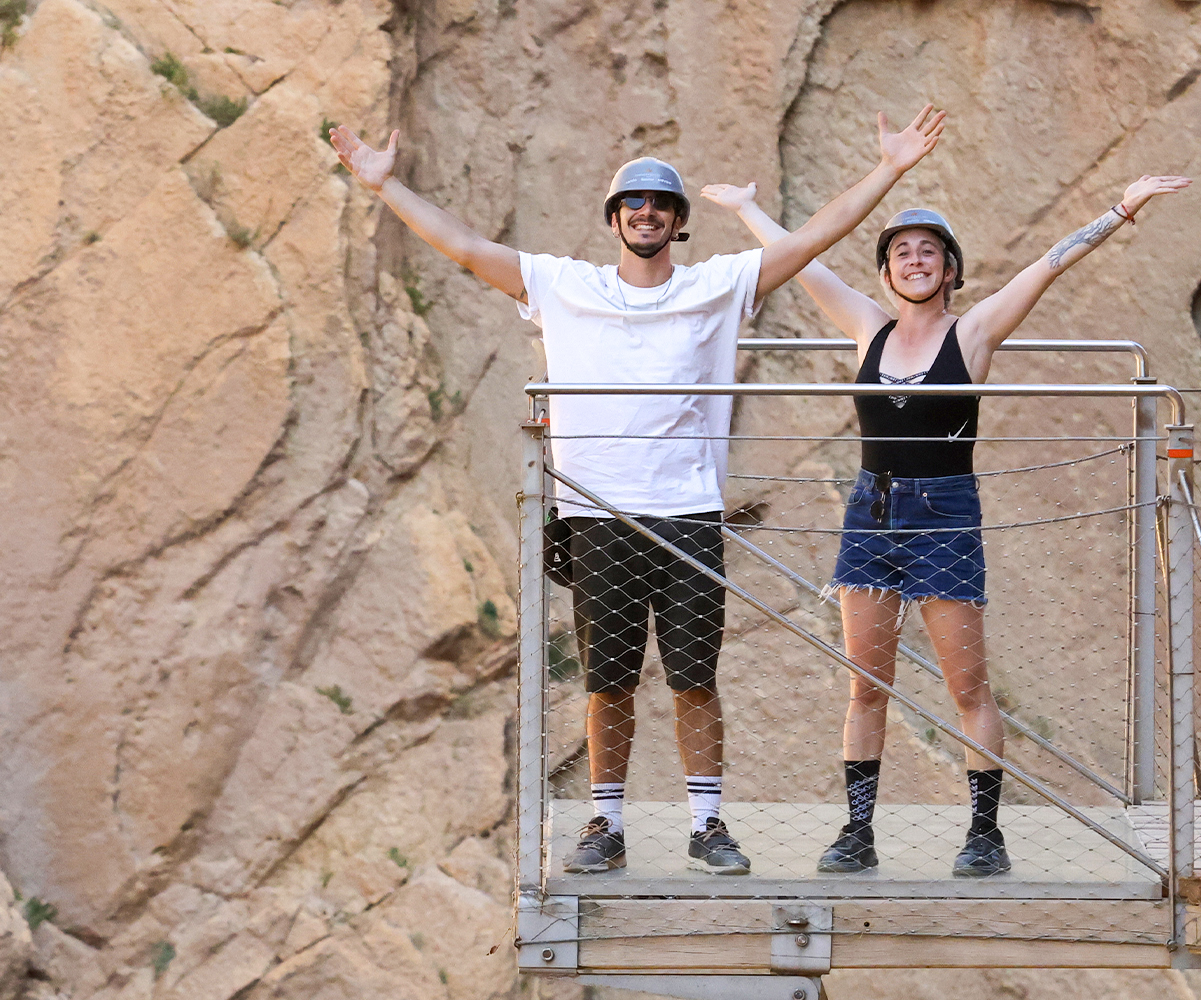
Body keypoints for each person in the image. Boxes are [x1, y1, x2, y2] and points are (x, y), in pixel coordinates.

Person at [330, 107, 946, 876]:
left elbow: (813, 237)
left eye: (660, 204)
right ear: (615, 218)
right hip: (597, 512)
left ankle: (708, 824)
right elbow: (463, 246)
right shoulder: (563, 284)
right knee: (607, 683)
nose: (646, 213)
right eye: (633, 203)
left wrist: (889, 171)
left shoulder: (717, 286)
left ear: (679, 221)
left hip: (686, 511)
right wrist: (387, 187)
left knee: (694, 678)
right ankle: (606, 824)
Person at [703, 174, 1191, 876]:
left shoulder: (975, 332)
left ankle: (985, 834)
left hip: (944, 514)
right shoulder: (867, 327)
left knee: (968, 689)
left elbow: (1049, 264)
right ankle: (857, 832)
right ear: (886, 270)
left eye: (928, 250)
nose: (914, 259)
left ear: (950, 268)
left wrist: (1120, 210)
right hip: (870, 514)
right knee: (866, 684)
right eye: (901, 251)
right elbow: (803, 261)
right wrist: (749, 208)